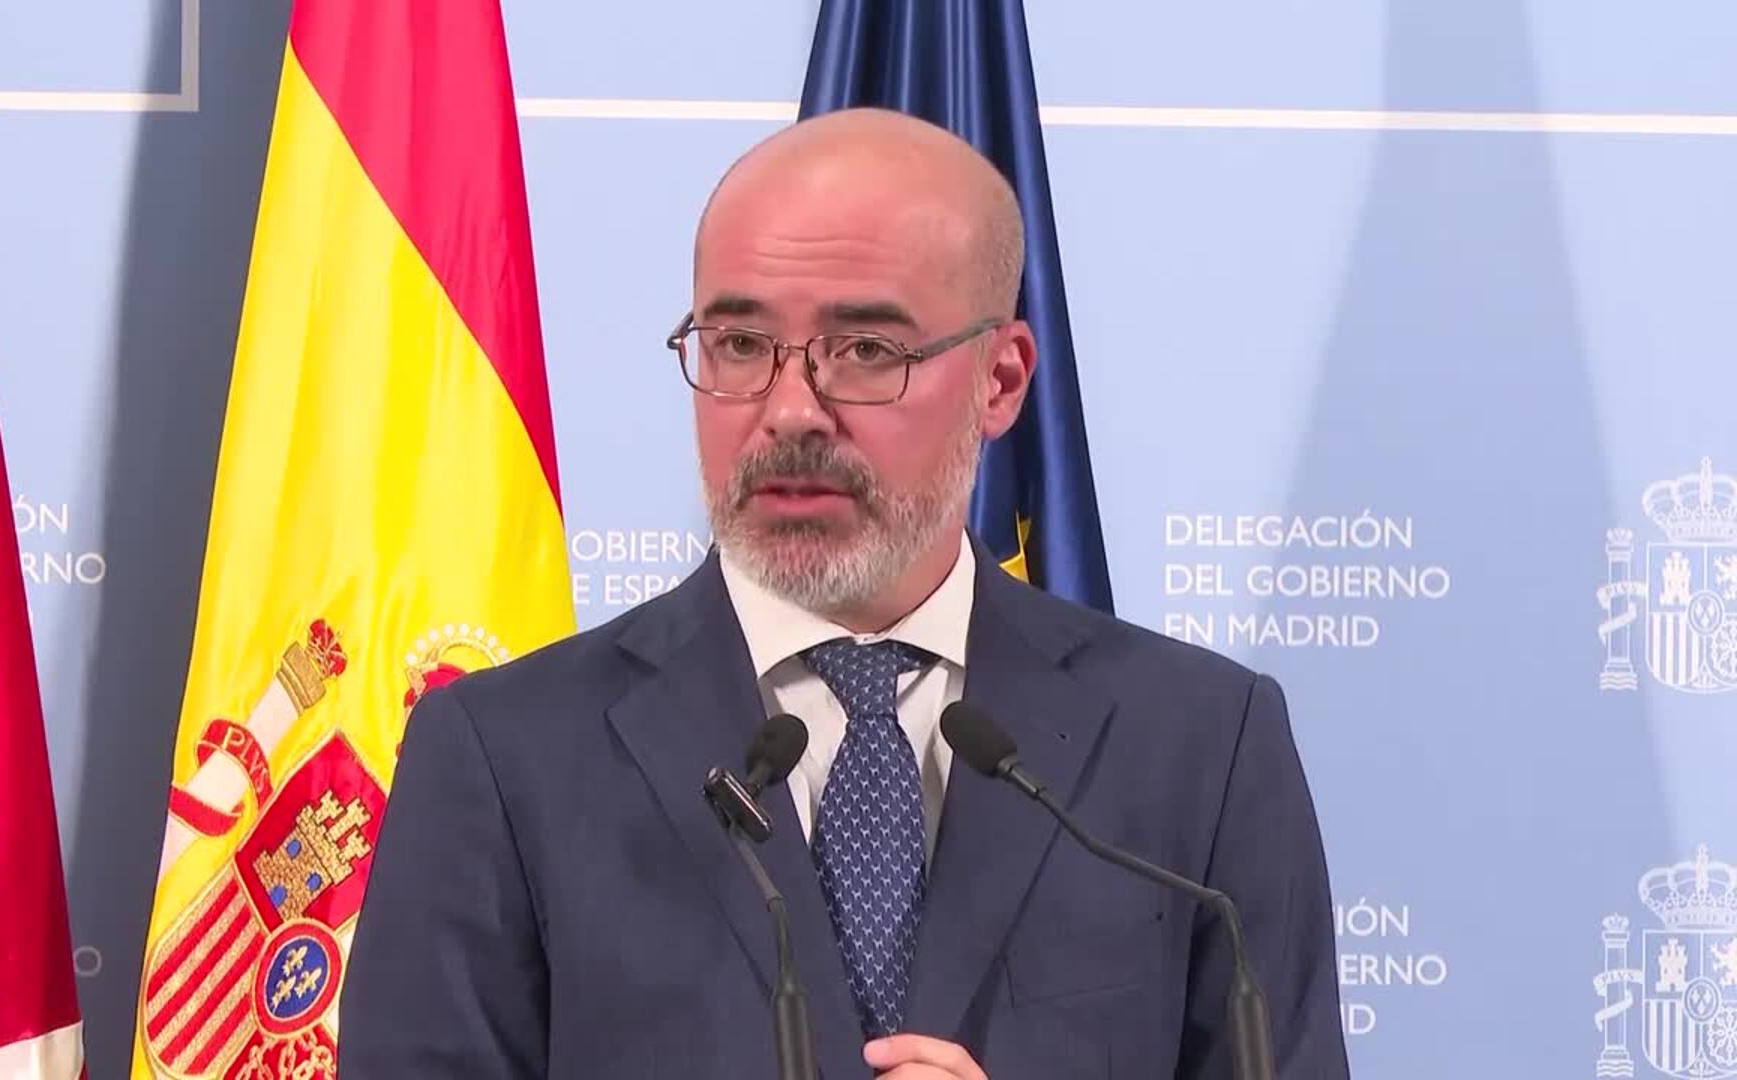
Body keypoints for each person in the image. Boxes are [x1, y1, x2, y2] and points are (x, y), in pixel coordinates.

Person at [338, 107, 1348, 1079]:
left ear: (999, 382)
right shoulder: (503, 757)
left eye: (866, 351)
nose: (789, 412)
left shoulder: (1202, 747)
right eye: (740, 344)